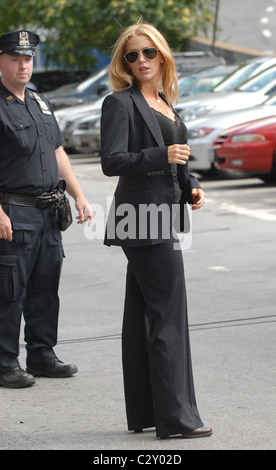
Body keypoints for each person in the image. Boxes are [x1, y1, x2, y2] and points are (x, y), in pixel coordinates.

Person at [100, 20, 212, 439]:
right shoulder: (120, 103)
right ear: (124, 63)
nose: (142, 60)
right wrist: (158, 154)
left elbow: (178, 160)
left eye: (149, 52)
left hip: (164, 214)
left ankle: (148, 412)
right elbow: (111, 161)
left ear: (162, 55)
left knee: (145, 314)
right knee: (168, 316)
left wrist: (193, 186)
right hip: (142, 219)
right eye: (132, 55)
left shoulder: (165, 101)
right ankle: (177, 419)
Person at [0, 30, 93, 389]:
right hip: (14, 210)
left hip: (48, 211)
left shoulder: (40, 102)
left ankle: (41, 355)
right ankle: (5, 362)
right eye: (15, 58)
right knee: (9, 290)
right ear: (1, 61)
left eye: (28, 59)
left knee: (44, 288)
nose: (24, 65)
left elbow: (57, 153)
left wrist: (79, 196)